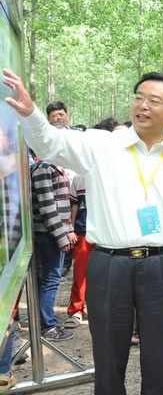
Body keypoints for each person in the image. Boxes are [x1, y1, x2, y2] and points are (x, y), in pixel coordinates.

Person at [3, 69, 163, 395]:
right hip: (110, 264)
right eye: (138, 97)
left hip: (159, 264)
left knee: (158, 355)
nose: (143, 106)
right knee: (108, 355)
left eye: (153, 100)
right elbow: (51, 144)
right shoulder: (102, 145)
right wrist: (30, 113)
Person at [30, 141, 76, 342]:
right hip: (47, 233)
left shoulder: (53, 167)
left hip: (53, 232)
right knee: (51, 278)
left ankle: (44, 320)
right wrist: (60, 236)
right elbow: (47, 206)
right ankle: (47, 326)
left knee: (48, 278)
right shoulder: (43, 169)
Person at [64, 173, 94, 330]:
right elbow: (74, 204)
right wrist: (71, 228)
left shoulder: (110, 172)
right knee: (80, 273)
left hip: (105, 234)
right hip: (83, 232)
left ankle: (100, 308)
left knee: (106, 274)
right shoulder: (78, 177)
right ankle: (76, 310)